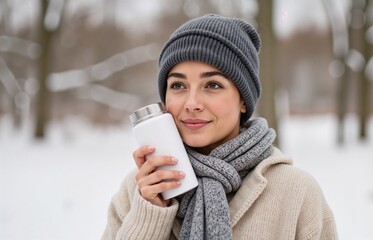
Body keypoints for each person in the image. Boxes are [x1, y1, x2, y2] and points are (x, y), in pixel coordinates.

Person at [102, 14, 338, 240]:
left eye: (212, 85)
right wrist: (148, 217)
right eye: (178, 85)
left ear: (244, 100)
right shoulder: (141, 188)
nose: (192, 103)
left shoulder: (295, 192)